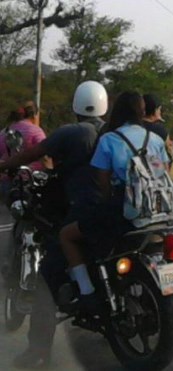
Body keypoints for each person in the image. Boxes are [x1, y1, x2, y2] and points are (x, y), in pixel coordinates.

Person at [0, 80, 108, 368]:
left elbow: (33, 154)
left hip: (82, 210)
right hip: (115, 212)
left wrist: (4, 165)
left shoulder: (71, 132)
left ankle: (38, 351)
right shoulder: (112, 132)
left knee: (47, 275)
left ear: (76, 106)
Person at [58, 91, 170, 317]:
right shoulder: (156, 140)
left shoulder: (109, 139)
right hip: (160, 212)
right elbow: (164, 172)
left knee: (67, 236)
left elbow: (102, 182)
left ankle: (87, 292)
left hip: (123, 212)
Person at [142, 93, 173, 163]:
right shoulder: (160, 130)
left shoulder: (133, 126)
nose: (160, 112)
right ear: (155, 110)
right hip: (154, 168)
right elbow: (169, 150)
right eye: (159, 109)